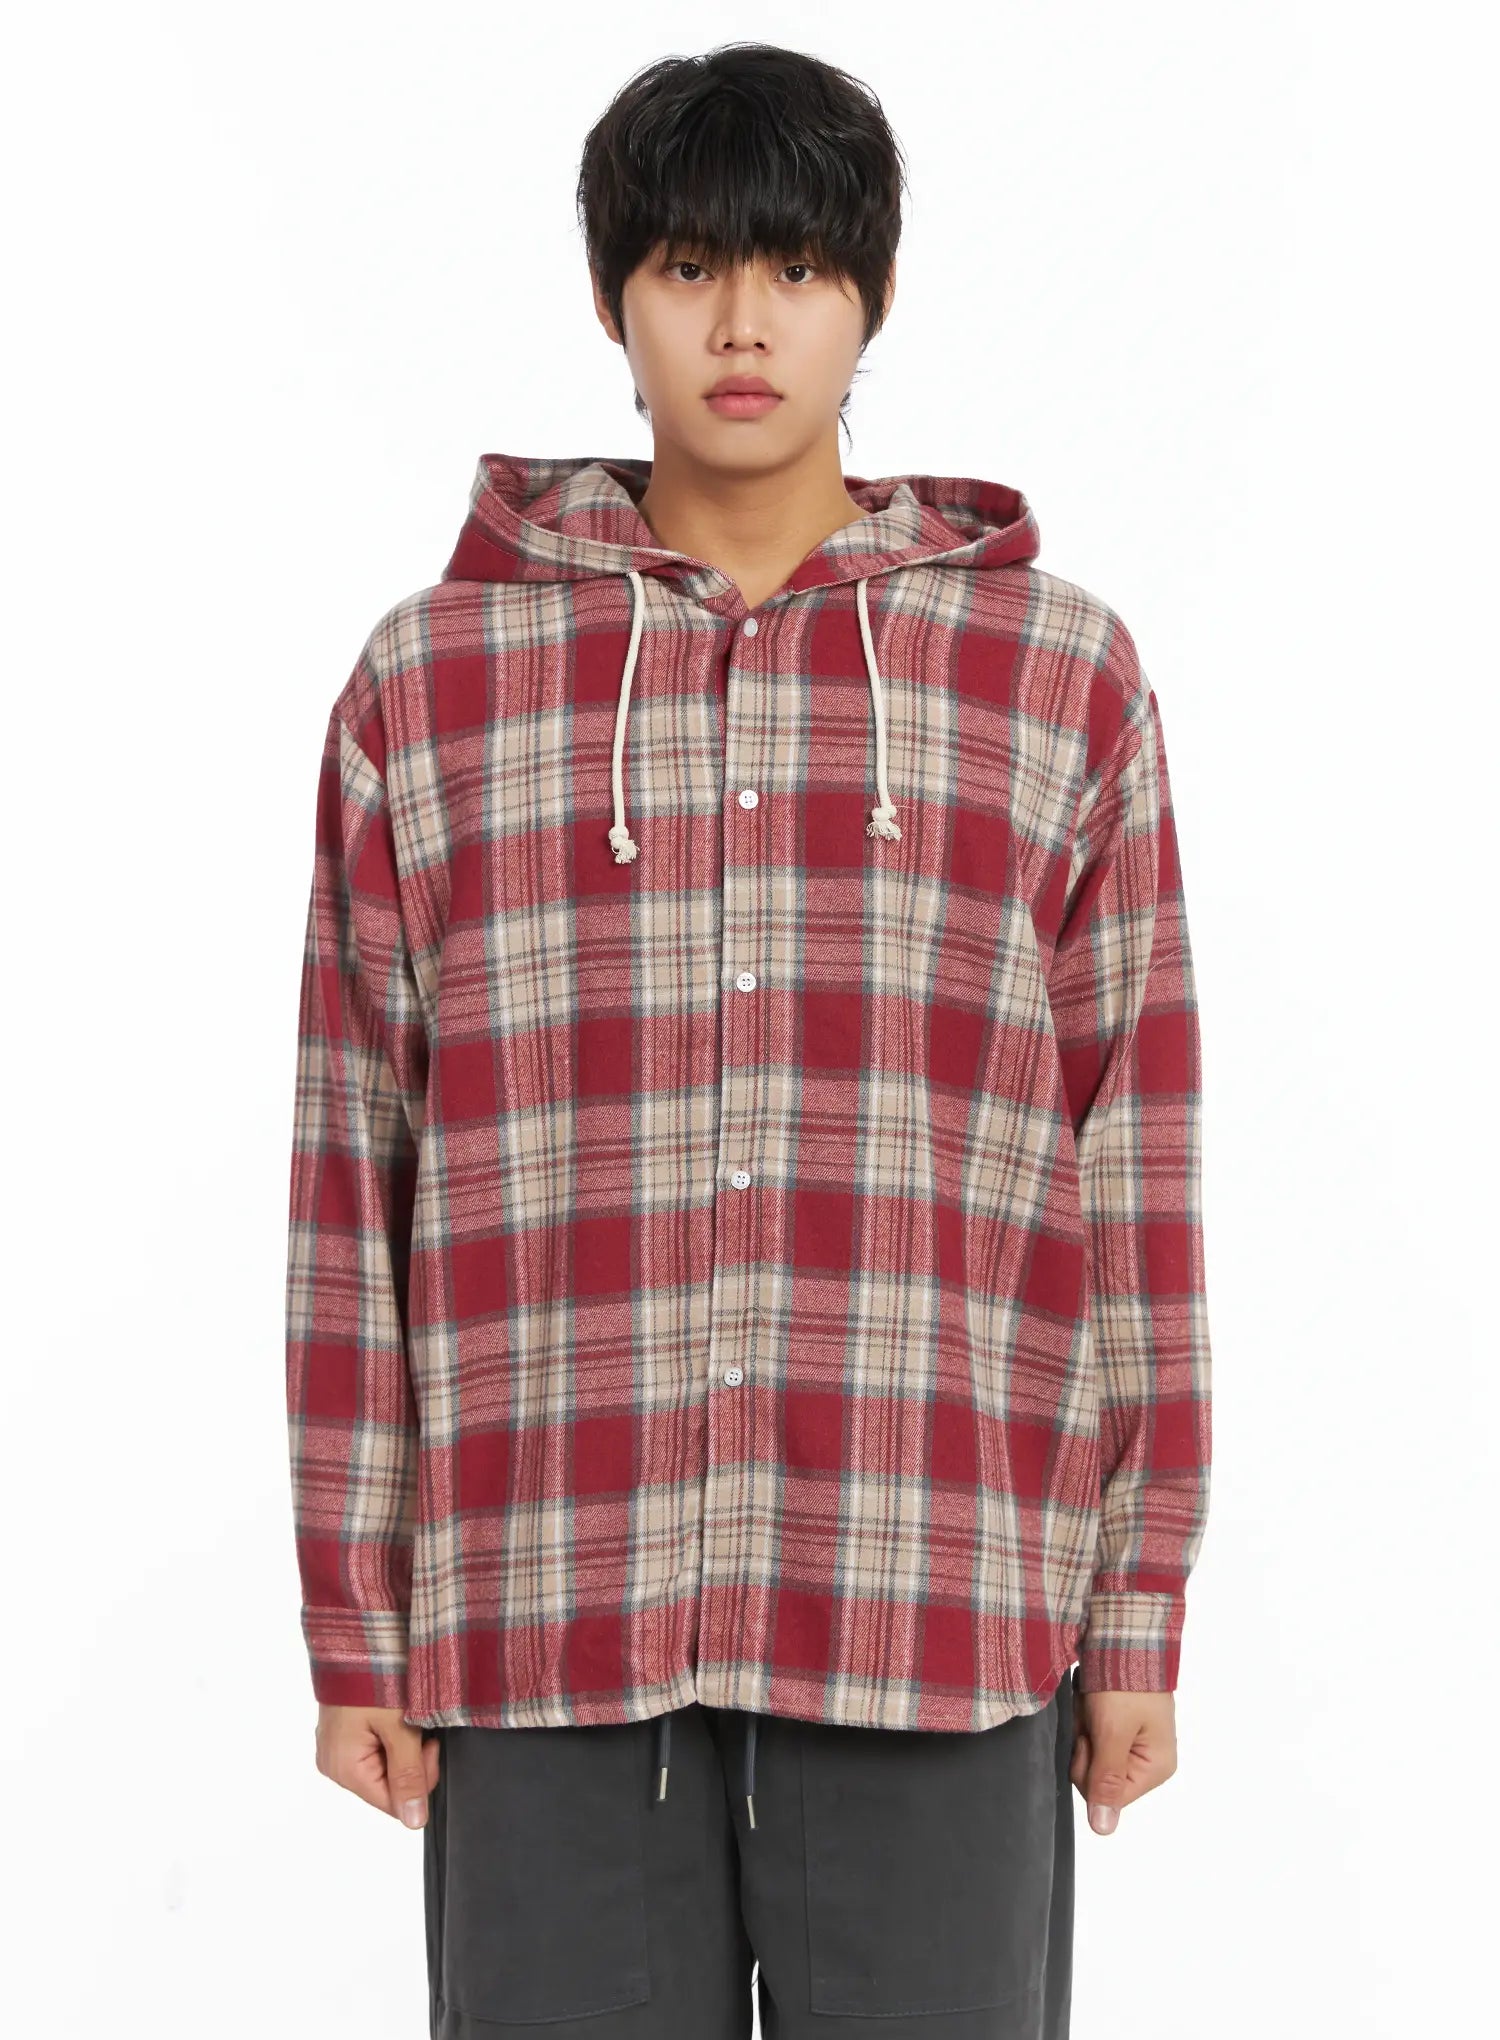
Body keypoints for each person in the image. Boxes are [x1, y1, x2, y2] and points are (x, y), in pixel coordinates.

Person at [282, 39, 1213, 2040]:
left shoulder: (1056, 680)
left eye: (794, 268)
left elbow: (1132, 1155)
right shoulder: (428, 689)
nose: (740, 324)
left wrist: (1137, 1597)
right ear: (611, 296)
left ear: (872, 296)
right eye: (690, 265)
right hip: (546, 1616)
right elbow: (353, 1175)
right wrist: (356, 1619)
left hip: (932, 1596)